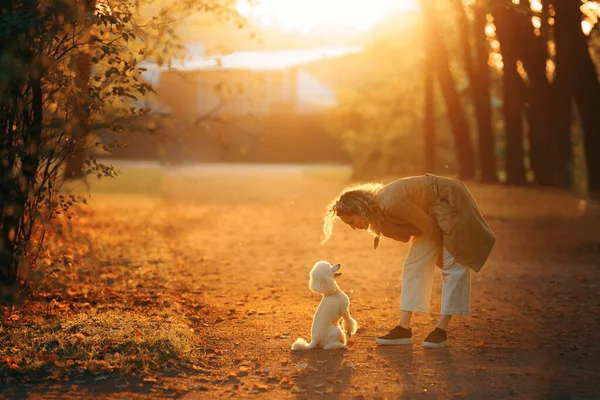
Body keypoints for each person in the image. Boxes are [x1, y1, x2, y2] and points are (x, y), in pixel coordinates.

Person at [322, 173, 495, 348]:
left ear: (360, 210)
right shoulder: (379, 213)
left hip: (449, 200)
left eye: (351, 221)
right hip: (430, 215)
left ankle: (441, 331)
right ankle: (404, 329)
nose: (353, 228)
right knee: (414, 265)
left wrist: (445, 253)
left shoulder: (389, 205)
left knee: (453, 267)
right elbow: (408, 234)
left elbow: (427, 225)